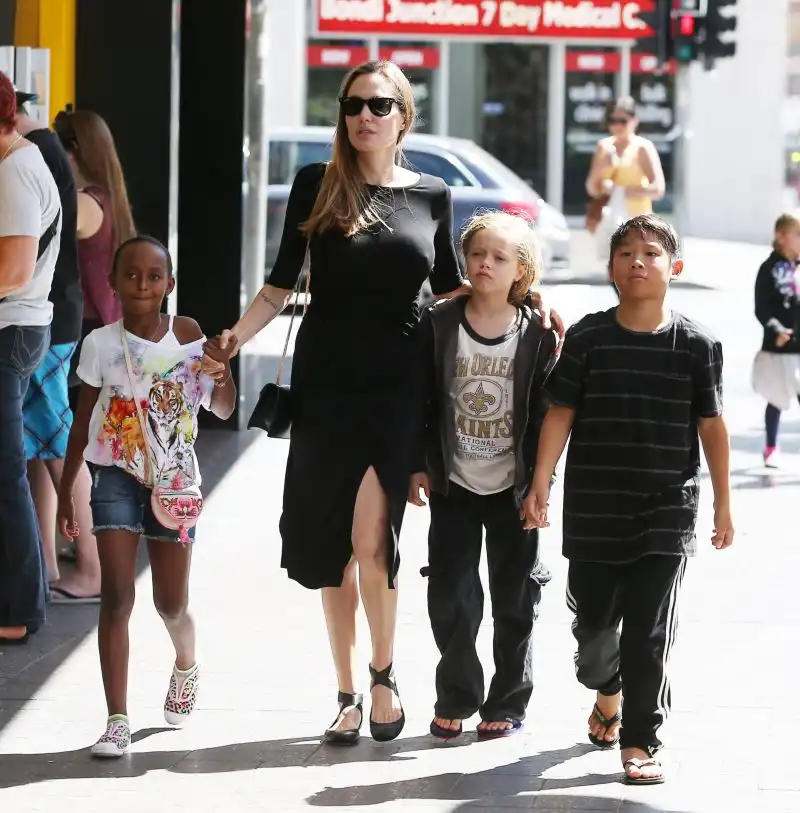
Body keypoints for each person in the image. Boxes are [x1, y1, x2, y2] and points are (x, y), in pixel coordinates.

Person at [202, 60, 562, 745]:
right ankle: (344, 692)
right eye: (352, 105)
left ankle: (383, 675)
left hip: (399, 387)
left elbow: (453, 286)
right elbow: (279, 285)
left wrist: (528, 297)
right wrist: (232, 339)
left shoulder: (432, 193)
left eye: (378, 104)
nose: (363, 116)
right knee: (331, 547)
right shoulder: (317, 185)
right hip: (326, 386)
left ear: (403, 116)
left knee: (374, 540)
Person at [523, 214, 734, 786]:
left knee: (647, 630)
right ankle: (607, 690)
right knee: (593, 631)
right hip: (594, 508)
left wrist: (723, 502)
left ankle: (640, 740)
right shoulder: (588, 338)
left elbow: (711, 425)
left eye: (651, 252)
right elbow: (560, 412)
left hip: (667, 509)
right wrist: (541, 481)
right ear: (610, 269)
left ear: (675, 267)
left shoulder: (698, 344)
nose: (637, 261)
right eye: (625, 253)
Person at [57, 236, 236, 758]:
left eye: (154, 276)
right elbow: (82, 423)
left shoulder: (190, 336)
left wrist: (222, 371)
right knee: (117, 598)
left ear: (169, 284)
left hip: (176, 481)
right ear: (112, 283)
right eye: (131, 275)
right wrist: (67, 489)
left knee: (170, 603)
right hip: (114, 475)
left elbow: (223, 409)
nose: (142, 284)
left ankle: (186, 662)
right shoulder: (99, 344)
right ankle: (117, 720)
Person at [409, 211, 558, 741]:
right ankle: (457, 694)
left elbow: (547, 414)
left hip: (513, 490)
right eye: (476, 254)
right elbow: (419, 399)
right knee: (451, 594)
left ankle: (509, 699)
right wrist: (417, 463)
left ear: (522, 270)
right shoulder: (439, 322)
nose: (485, 264)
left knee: (516, 598)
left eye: (499, 257)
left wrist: (540, 484)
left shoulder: (538, 333)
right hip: (454, 484)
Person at [15, 90, 101, 602]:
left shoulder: (36, 151)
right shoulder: (41, 149)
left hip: (47, 317)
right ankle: (48, 564)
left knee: (57, 446)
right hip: (49, 315)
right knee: (40, 447)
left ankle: (90, 568)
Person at [0, 72, 62, 644]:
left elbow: (14, 270)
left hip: (11, 330)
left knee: (5, 473)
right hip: (20, 328)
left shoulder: (15, 170)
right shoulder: (22, 160)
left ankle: (19, 609)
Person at [53, 108, 135, 411]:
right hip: (104, 329)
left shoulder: (83, 202)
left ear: (73, 151)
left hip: (83, 331)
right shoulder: (108, 198)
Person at [585, 97, 666, 267]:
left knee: (635, 269)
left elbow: (658, 188)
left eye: (622, 121)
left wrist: (623, 191)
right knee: (616, 268)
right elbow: (591, 189)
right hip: (611, 221)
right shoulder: (604, 147)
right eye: (612, 120)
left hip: (638, 222)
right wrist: (601, 168)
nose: (617, 126)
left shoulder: (642, 148)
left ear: (634, 121)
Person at [752, 212, 800, 468]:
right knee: (776, 397)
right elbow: (762, 308)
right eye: (798, 234)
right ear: (782, 237)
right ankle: (771, 446)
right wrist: (776, 330)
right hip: (778, 347)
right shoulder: (769, 269)